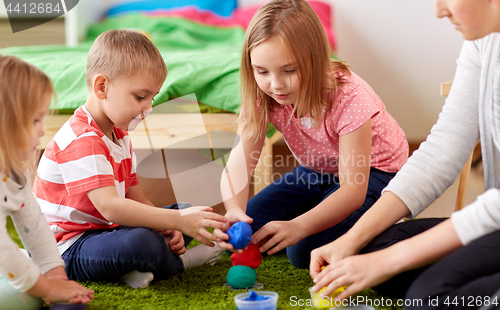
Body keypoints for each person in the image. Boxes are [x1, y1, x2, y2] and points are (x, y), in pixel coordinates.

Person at [310, 0, 500, 308]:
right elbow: (443, 148)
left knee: (424, 297)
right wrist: (351, 240)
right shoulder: (482, 40)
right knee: (372, 248)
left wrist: (390, 262)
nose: (439, 11)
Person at [215, 0, 408, 269]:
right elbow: (238, 164)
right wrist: (235, 211)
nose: (276, 84)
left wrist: (299, 226)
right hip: (318, 171)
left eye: (289, 70)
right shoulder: (263, 95)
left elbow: (352, 190)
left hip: (376, 174)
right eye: (262, 71)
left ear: (315, 59)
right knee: (250, 230)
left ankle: (381, 223)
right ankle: (325, 208)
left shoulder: (350, 97)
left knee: (302, 250)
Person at [33, 29, 228, 289]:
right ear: (102, 87)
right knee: (142, 243)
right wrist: (175, 222)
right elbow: (111, 207)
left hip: (102, 230)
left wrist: (168, 224)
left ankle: (130, 268)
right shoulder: (82, 138)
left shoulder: (119, 133)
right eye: (140, 97)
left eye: (152, 98)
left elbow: (135, 197)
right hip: (66, 248)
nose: (148, 108)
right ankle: (181, 263)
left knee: (186, 208)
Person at [0, 55, 94, 308]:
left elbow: (33, 223)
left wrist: (57, 277)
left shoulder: (12, 173)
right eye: (35, 120)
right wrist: (46, 288)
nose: (42, 131)